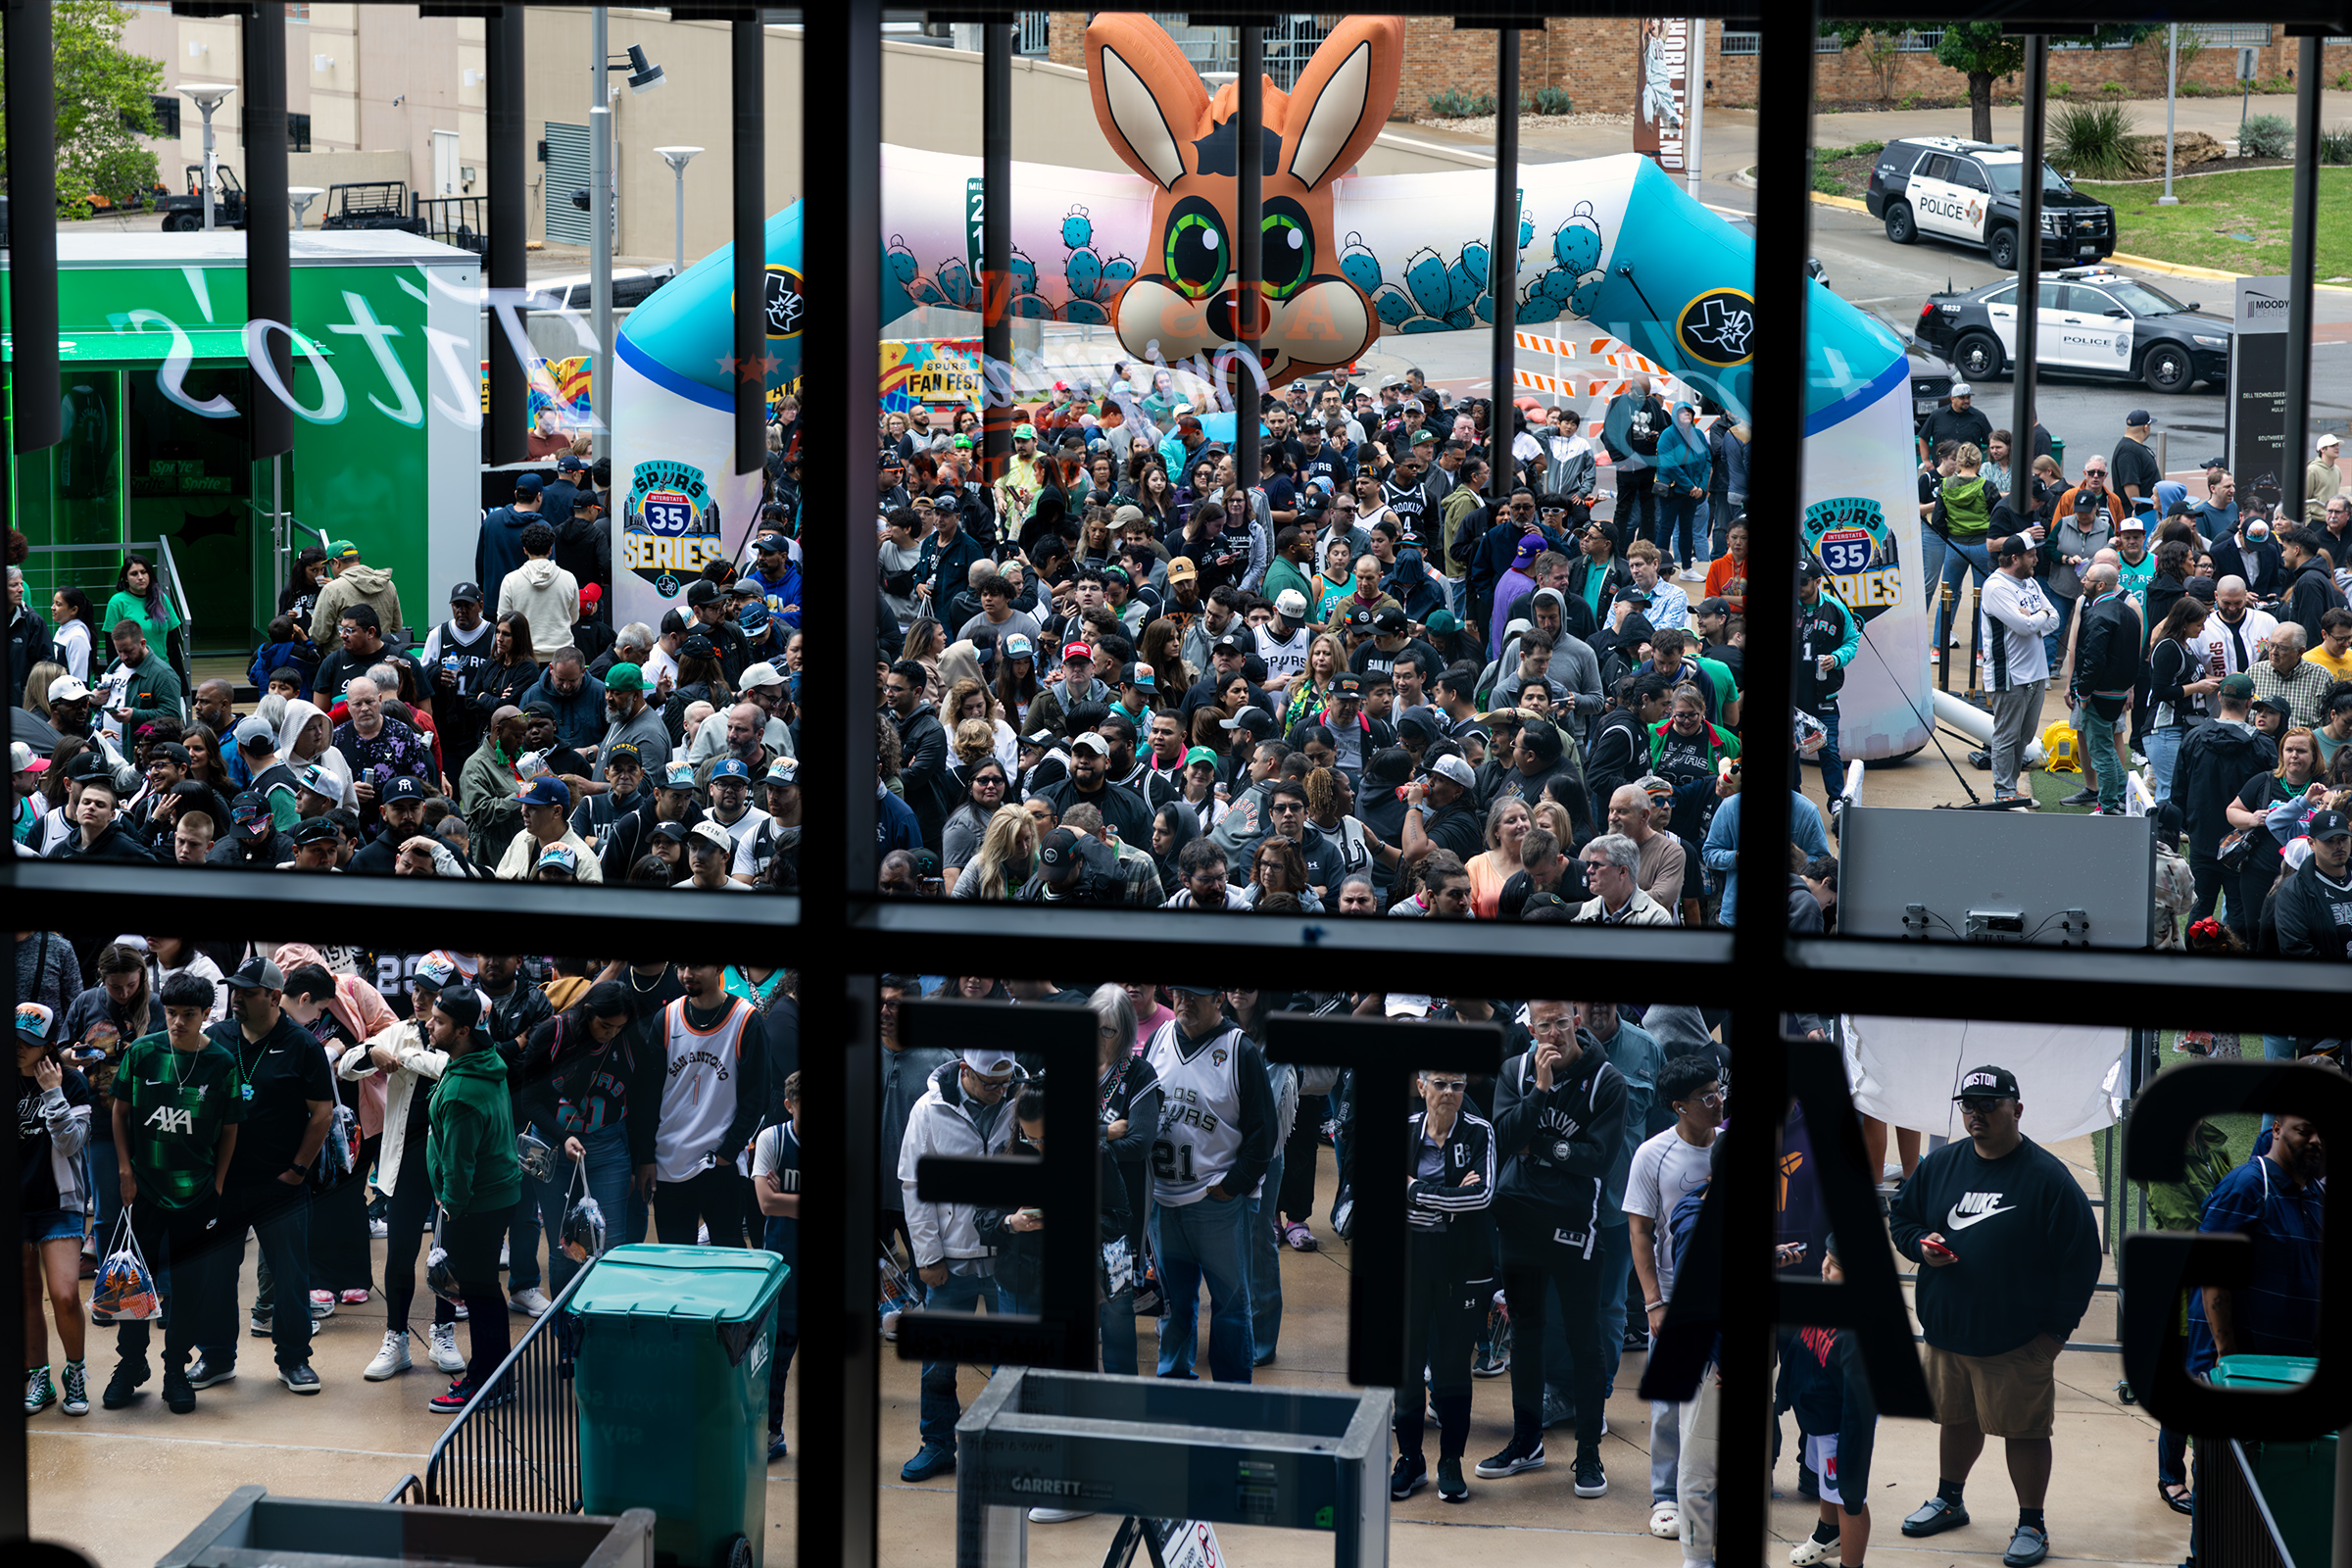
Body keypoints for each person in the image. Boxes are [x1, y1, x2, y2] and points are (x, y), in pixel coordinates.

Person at [1889, 1065, 2101, 1568]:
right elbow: (1903, 1218)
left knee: (2025, 1431)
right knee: (1955, 1418)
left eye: (1989, 1105)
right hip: (1947, 1332)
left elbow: (2081, 1261)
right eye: (1968, 1105)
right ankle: (1950, 1500)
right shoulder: (1942, 1164)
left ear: (2016, 1109)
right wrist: (1920, 1246)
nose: (1976, 1115)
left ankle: (2032, 1524)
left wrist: (2054, 1335)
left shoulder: (2048, 1178)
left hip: (2016, 1340)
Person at [1481, 998, 1626, 1497]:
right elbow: (1502, 1139)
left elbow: (1598, 1160)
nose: (1554, 1034)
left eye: (1562, 1023)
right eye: (1544, 1026)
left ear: (1576, 1022)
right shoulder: (1515, 1072)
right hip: (1519, 1222)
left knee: (1585, 1339)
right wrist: (1540, 1092)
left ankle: (1588, 1453)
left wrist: (1540, 1145)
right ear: (1530, 1029)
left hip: (1575, 1227)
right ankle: (1526, 1441)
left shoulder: (1606, 1081)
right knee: (1525, 1334)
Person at [193, 956, 334, 1395]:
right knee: (217, 1273)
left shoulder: (302, 1045)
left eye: (248, 992)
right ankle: (216, 1357)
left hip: (280, 1184)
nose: (236, 999)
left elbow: (322, 1113)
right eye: (234, 990)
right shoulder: (217, 1038)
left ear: (274, 997)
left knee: (290, 1276)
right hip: (224, 1183)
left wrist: (297, 1170)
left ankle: (293, 1360)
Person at [104, 970, 242, 1415]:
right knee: (132, 1284)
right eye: (171, 1012)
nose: (178, 1022)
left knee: (189, 1288)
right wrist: (125, 1169)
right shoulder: (143, 1052)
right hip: (144, 1188)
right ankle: (130, 1364)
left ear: (206, 1014)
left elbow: (230, 1128)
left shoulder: (221, 1062)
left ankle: (176, 1371)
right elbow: (120, 1112)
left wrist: (217, 1184)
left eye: (188, 1014)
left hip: (196, 1194)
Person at [897, 1044, 1029, 1483]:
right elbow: (914, 1185)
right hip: (951, 1258)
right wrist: (928, 1256)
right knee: (939, 1360)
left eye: (1006, 1082)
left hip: (1009, 1252)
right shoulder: (928, 1109)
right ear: (965, 1072)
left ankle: (1001, 1450)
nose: (1001, 1091)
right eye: (991, 1084)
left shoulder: (1024, 1098)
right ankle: (937, 1444)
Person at [1145, 986, 1276, 1384]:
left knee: (1231, 1306)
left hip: (1216, 1202)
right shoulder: (1159, 1038)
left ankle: (1232, 1394)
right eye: (1179, 992)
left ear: (1219, 999)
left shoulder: (1239, 1050)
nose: (1184, 1001)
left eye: (1195, 995)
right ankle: (1174, 1385)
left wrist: (1231, 1187)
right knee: (1174, 1304)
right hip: (1163, 1202)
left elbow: (1264, 1135)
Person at [1392, 1065, 1497, 1506]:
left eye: (1457, 1084)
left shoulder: (1479, 1132)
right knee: (1406, 1367)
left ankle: (1450, 1461)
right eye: (1439, 1084)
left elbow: (1483, 1196)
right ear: (1421, 1087)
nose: (1448, 1092)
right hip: (1410, 1264)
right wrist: (1453, 1197)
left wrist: (1415, 1191)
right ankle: (1410, 1459)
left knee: (1452, 1367)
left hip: (1460, 1268)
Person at [1627, 1054, 1723, 1541]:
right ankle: (1665, 1496)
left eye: (1720, 1089)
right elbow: (1640, 1232)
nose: (1718, 1101)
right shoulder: (1653, 1155)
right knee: (1669, 1403)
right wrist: (1654, 1302)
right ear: (1678, 1107)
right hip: (1673, 1298)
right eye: (1706, 1097)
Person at [420, 987, 524, 1413]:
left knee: (480, 1295)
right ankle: (498, 1378)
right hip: (496, 1196)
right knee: (485, 1291)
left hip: (476, 1205)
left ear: (463, 1030)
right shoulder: (482, 1060)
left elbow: (459, 1167)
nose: (429, 1025)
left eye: (439, 1021)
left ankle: (486, 1382)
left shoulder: (463, 1091)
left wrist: (451, 1209)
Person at [647, 963, 765, 1244]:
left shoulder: (747, 1019)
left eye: (697, 966)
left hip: (720, 1164)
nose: (687, 974)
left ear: (719, 967)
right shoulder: (666, 1018)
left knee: (728, 1256)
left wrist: (728, 1152)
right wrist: (645, 1157)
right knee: (675, 1258)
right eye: (680, 966)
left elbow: (757, 1097)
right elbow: (647, 1095)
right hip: (670, 1162)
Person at [1787, 1233, 1883, 1568]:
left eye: (1836, 1264)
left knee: (1848, 1498)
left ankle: (1851, 1565)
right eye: (1827, 1256)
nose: (1825, 1266)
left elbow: (1861, 1405)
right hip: (1821, 1418)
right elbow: (1800, 1345)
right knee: (1827, 1488)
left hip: (1844, 1427)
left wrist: (1852, 1450)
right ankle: (1827, 1533)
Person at [18, 1001, 94, 1419]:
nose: (18, 1047)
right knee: (27, 1295)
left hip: (58, 1203)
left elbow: (70, 1143)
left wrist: (52, 1093)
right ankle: (39, 1376)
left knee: (65, 1295)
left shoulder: (73, 1083)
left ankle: (75, 1372)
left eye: (27, 1042)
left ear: (48, 1045)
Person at [1980, 535, 2059, 802]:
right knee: (2007, 735)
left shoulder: (2031, 582)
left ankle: (2011, 789)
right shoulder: (1996, 587)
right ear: (2015, 558)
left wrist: (2036, 618)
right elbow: (2024, 627)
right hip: (2009, 675)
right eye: (2031, 555)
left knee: (2024, 737)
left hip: (2036, 673)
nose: (2036, 559)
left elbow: (2055, 619)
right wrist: (2039, 616)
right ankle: (2003, 793)